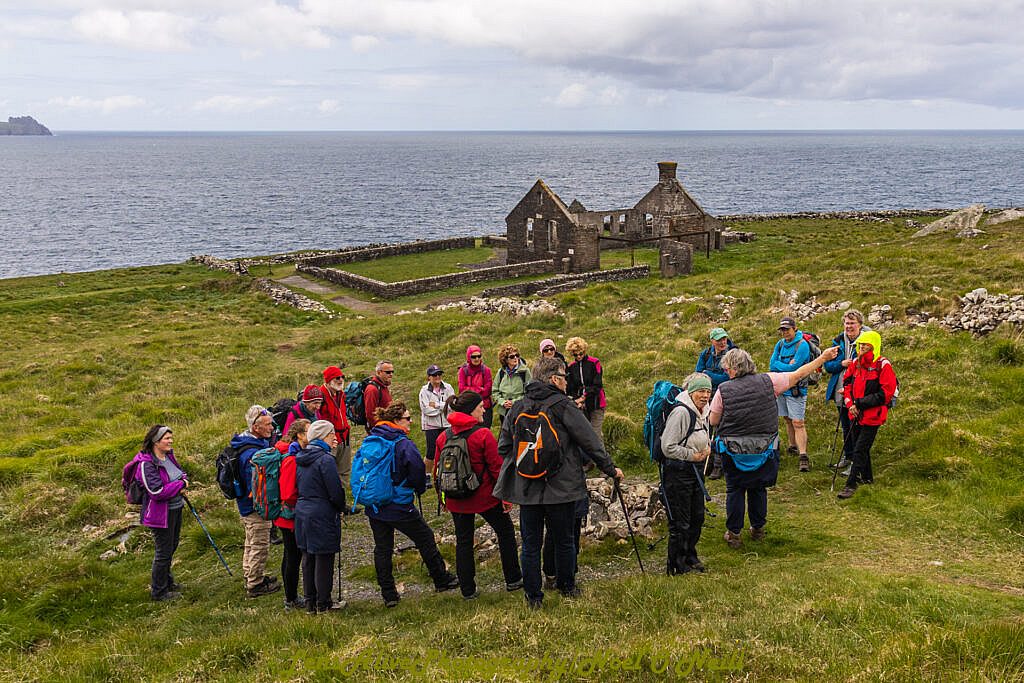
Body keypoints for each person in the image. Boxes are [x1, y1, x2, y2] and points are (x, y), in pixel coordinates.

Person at [493, 357, 624, 609]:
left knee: (530, 543)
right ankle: (567, 587)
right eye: (564, 377)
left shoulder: (518, 406)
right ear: (554, 379)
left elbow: (504, 446)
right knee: (564, 540)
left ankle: (533, 597)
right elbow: (591, 442)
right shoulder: (563, 405)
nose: (567, 381)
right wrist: (611, 469)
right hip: (561, 487)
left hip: (527, 488)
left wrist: (527, 464)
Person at [709, 346, 839, 549]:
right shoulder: (769, 381)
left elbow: (713, 419)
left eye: (727, 369)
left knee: (735, 490)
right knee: (758, 488)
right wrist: (822, 358)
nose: (726, 372)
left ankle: (734, 534)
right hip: (765, 449)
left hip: (733, 451)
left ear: (734, 368)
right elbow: (798, 374)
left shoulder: (723, 391)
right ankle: (758, 529)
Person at [363, 402, 459, 607]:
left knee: (382, 548)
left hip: (375, 505)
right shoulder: (403, 443)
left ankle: (389, 594)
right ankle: (441, 579)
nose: (411, 422)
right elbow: (416, 471)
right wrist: (420, 488)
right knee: (424, 537)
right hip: (398, 504)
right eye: (407, 418)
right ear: (397, 420)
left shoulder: (371, 439)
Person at [435, 391, 523, 599]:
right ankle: (513, 579)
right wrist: (505, 496)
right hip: (485, 498)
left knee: (463, 541)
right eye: (480, 407)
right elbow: (496, 469)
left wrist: (443, 499)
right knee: (506, 533)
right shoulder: (482, 434)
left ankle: (468, 590)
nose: (484, 409)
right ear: (470, 410)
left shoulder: (443, 437)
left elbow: (438, 472)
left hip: (456, 499)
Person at [659, 374, 712, 575]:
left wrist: (706, 450)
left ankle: (690, 555)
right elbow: (667, 446)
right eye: (701, 391)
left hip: (694, 471)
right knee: (681, 521)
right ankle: (676, 565)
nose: (705, 395)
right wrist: (694, 456)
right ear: (691, 392)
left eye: (708, 391)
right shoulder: (681, 412)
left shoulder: (702, 411)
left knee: (697, 516)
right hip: (678, 473)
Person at [837, 331, 898, 500]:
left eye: (865, 344)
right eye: (859, 344)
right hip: (854, 413)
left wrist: (859, 403)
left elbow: (886, 393)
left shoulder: (883, 365)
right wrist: (850, 404)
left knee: (860, 449)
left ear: (873, 346)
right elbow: (847, 383)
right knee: (860, 447)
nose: (861, 347)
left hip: (873, 415)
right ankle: (867, 479)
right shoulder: (855, 363)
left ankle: (851, 484)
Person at [294, 420, 347, 612]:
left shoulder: (300, 456)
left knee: (308, 557)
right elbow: (334, 491)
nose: (335, 437)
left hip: (303, 512)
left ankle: (310, 603)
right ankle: (323, 603)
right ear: (324, 435)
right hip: (322, 513)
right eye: (332, 433)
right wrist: (342, 507)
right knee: (324, 558)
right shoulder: (325, 460)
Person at [132, 425, 189, 601]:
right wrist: (181, 485)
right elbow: (157, 492)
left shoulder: (169, 456)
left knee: (172, 546)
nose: (171, 441)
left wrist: (182, 480)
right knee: (163, 552)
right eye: (167, 438)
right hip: (159, 515)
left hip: (176, 508)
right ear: (156, 441)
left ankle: (167, 581)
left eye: (171, 438)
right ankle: (159, 592)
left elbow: (181, 474)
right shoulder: (146, 464)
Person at [230, 405, 280, 598]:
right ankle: (255, 585)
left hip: (245, 504)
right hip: (255, 505)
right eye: (268, 425)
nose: (272, 428)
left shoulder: (245, 444)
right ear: (256, 427)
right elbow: (258, 486)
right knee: (259, 544)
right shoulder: (252, 454)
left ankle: (250, 575)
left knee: (250, 542)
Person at [823, 310, 868, 471]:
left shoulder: (866, 342)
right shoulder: (838, 341)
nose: (849, 327)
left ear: (860, 325)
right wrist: (841, 364)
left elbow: (870, 365)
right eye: (847, 323)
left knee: (855, 427)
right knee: (845, 426)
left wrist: (854, 365)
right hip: (839, 392)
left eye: (852, 323)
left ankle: (857, 462)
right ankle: (848, 456)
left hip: (857, 392)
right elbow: (827, 366)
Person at [273, 418, 309, 610]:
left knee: (290, 555)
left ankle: (291, 595)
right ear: (299, 435)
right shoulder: (290, 458)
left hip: (287, 514)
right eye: (308, 431)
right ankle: (291, 598)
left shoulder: (289, 452)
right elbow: (287, 493)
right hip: (289, 516)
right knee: (292, 557)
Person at [769, 316, 813, 472]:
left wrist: (782, 367)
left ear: (795, 329)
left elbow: (796, 370)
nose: (785, 332)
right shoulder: (780, 344)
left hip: (796, 390)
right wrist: (786, 366)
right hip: (782, 389)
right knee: (787, 419)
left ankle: (803, 456)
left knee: (798, 422)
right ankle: (792, 446)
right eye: (782, 330)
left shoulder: (802, 345)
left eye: (787, 329)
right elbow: (772, 364)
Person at [697, 327, 737, 480]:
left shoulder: (732, 354)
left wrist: (708, 374)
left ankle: (719, 466)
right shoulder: (706, 354)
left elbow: (726, 378)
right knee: (706, 429)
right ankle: (709, 462)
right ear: (712, 341)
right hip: (707, 395)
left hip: (725, 395)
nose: (722, 342)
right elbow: (698, 372)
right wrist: (710, 376)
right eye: (719, 339)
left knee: (720, 429)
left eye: (724, 339)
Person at [565, 336, 607, 443]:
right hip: (581, 405)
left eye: (581, 354)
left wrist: (584, 397)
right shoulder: (571, 367)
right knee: (585, 434)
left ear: (584, 351)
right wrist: (577, 400)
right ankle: (588, 458)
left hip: (596, 403)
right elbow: (571, 388)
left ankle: (599, 458)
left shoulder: (595, 363)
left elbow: (597, 385)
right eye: (575, 354)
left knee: (595, 435)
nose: (579, 356)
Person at [319, 366, 352, 480]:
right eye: (337, 378)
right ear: (328, 381)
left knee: (344, 471)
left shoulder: (341, 394)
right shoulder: (320, 395)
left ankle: (342, 495)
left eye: (342, 377)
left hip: (344, 437)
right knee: (329, 471)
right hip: (329, 439)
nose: (341, 380)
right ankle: (331, 495)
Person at [419, 364, 455, 467]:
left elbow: (453, 405)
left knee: (448, 450)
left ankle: (445, 473)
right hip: (431, 426)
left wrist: (437, 405)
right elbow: (426, 410)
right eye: (434, 375)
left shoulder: (448, 387)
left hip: (446, 424)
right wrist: (444, 408)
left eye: (439, 374)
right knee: (431, 453)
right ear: (429, 377)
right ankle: (427, 476)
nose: (437, 377)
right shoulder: (424, 391)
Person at [494, 344, 532, 424]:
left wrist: (514, 402)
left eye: (517, 355)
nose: (515, 358)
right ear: (505, 360)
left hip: (520, 410)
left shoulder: (525, 372)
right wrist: (503, 402)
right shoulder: (501, 372)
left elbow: (529, 392)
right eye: (512, 357)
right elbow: (495, 391)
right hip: (504, 411)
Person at [458, 345, 494, 427]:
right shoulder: (463, 371)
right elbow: (461, 389)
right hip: (469, 409)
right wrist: (480, 389)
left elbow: (487, 390)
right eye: (473, 357)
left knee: (484, 432)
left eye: (479, 356)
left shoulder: (486, 370)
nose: (477, 359)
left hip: (485, 408)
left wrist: (470, 390)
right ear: (468, 357)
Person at [364, 360, 394, 430]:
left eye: (392, 372)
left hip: (387, 428)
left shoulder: (383, 386)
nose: (391, 374)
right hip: (380, 430)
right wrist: (380, 429)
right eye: (388, 372)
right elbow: (370, 414)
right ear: (378, 372)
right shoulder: (372, 389)